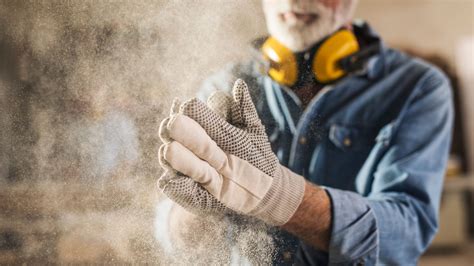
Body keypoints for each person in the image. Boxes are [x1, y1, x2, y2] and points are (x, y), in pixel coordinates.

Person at [156, 0, 454, 265]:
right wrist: (199, 212)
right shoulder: (226, 85)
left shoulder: (417, 87)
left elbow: (406, 234)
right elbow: (175, 239)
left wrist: (278, 196)